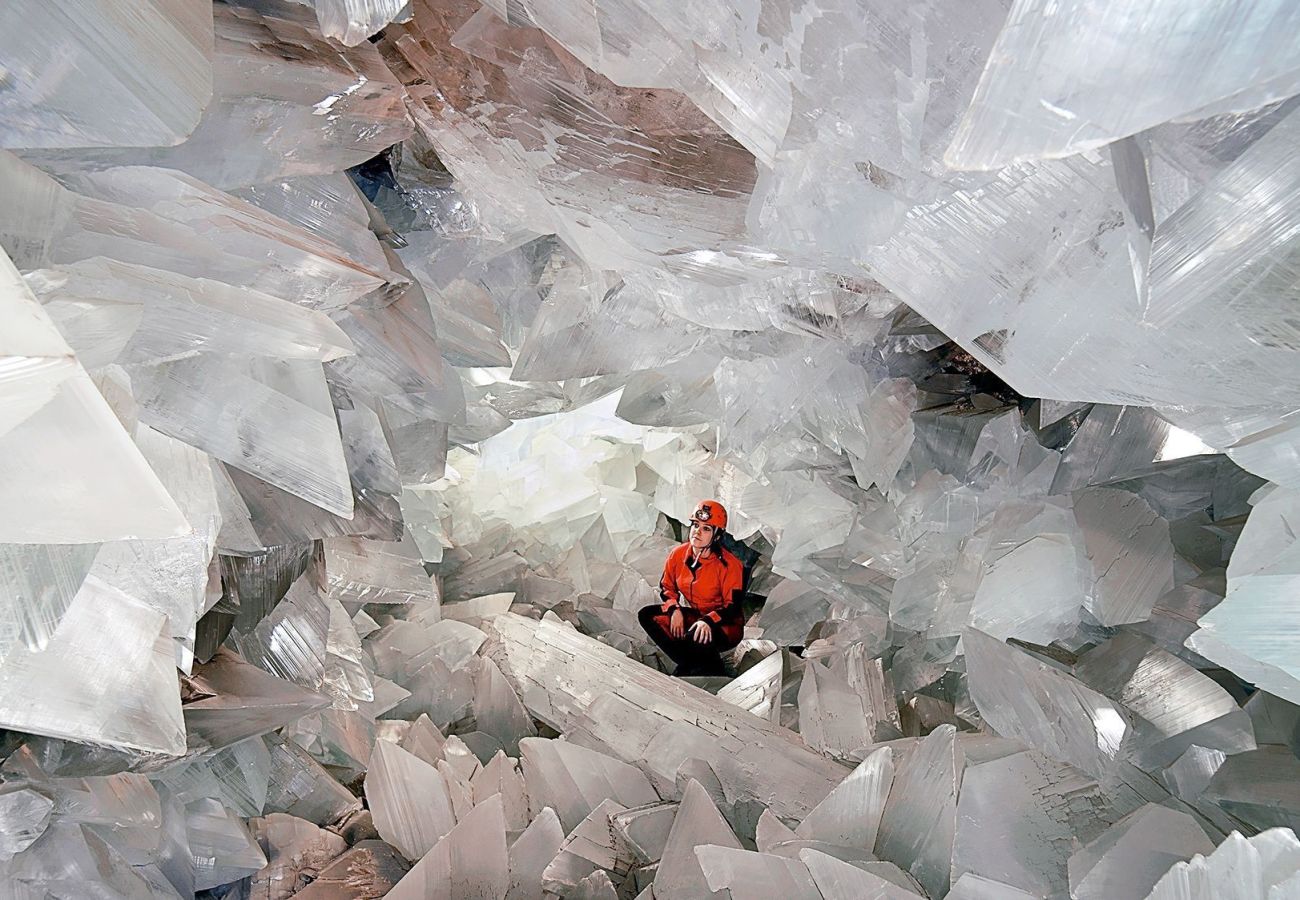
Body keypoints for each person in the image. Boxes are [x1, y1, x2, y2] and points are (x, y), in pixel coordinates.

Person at [638, 499, 744, 676]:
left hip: (725, 625)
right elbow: (666, 587)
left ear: (717, 535)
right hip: (697, 616)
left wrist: (708, 621)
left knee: (694, 636)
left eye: (706, 528)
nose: (697, 532)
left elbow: (732, 607)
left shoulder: (730, 565)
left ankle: (704, 668)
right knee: (648, 615)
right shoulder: (678, 554)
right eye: (696, 525)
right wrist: (675, 610)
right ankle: (692, 663)